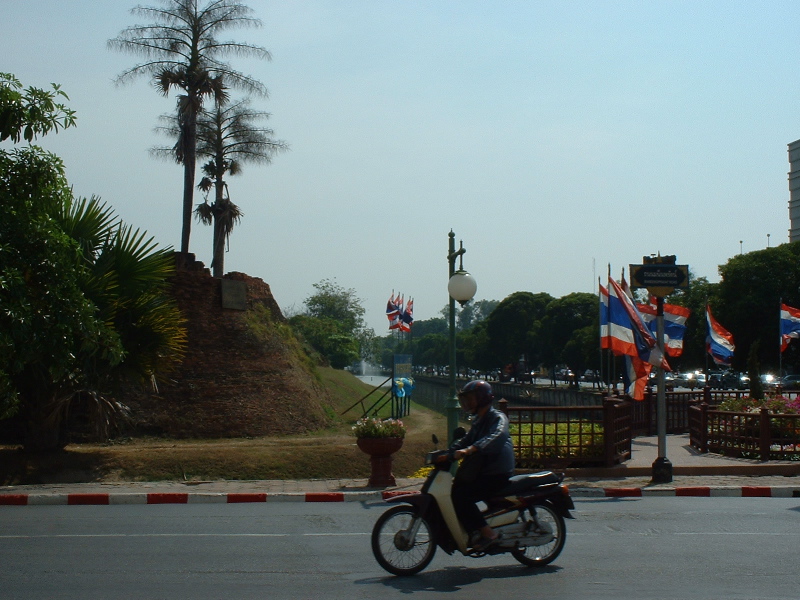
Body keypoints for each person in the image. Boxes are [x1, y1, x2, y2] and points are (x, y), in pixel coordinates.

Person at [436, 380, 515, 552]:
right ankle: (472, 530)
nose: (467, 403)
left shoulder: (498, 418)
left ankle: (489, 534)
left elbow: (496, 436)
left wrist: (471, 449)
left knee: (461, 496)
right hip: (483, 471)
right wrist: (448, 453)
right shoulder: (479, 420)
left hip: (496, 472)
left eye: (471, 399)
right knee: (456, 490)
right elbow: (466, 440)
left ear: (482, 399)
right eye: (466, 399)